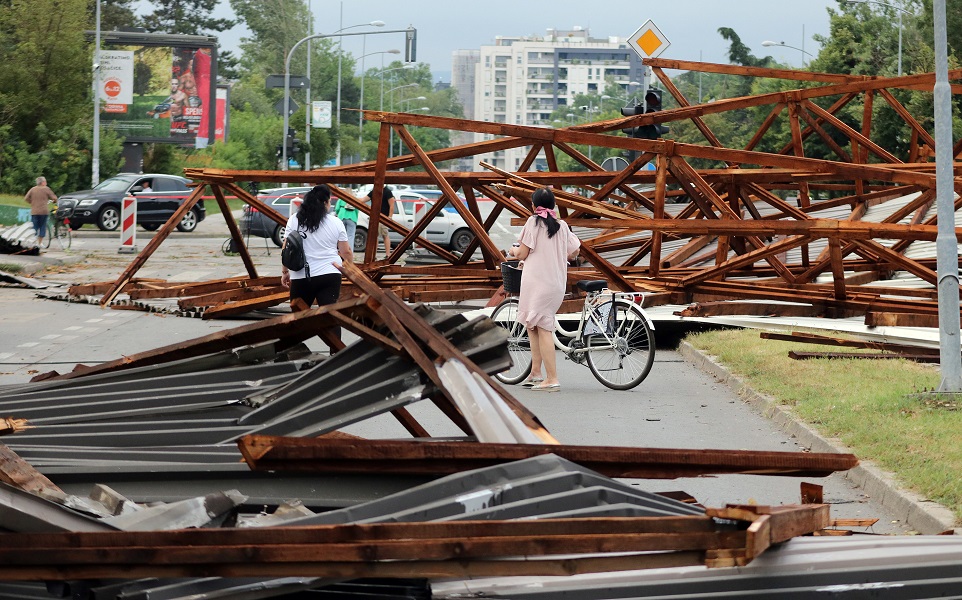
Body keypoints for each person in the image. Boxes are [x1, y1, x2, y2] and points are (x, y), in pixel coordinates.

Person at [507, 187, 581, 392]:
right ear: (554, 206)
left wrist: (513, 250)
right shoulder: (562, 225)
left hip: (538, 283)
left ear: (533, 205)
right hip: (555, 282)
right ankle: (536, 373)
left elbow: (522, 253)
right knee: (533, 326)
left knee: (543, 327)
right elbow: (574, 251)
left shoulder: (533, 222)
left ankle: (552, 378)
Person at [280, 184, 353, 336]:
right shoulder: (336, 222)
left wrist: (285, 271)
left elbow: (286, 248)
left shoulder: (294, 220)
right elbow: (346, 251)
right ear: (326, 203)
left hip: (301, 276)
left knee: (297, 317)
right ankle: (336, 353)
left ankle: (292, 351)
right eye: (330, 202)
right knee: (330, 316)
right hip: (330, 274)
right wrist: (348, 270)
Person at [24, 176, 57, 249]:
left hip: (34, 211)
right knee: (42, 226)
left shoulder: (33, 189)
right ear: (42, 182)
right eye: (45, 181)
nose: (46, 183)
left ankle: (34, 243)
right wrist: (54, 201)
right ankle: (40, 243)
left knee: (34, 227)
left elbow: (26, 198)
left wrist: (32, 202)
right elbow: (54, 198)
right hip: (43, 212)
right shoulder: (46, 189)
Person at [366, 186, 395, 257]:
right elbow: (364, 199)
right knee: (375, 236)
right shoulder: (374, 191)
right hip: (375, 218)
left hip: (383, 218)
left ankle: (388, 254)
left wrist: (390, 217)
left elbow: (392, 205)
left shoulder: (387, 191)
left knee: (385, 235)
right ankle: (373, 255)